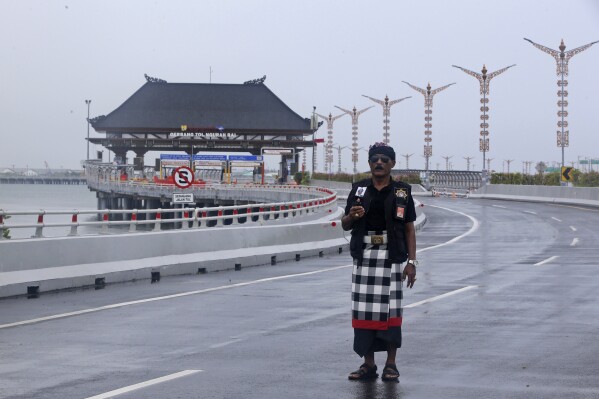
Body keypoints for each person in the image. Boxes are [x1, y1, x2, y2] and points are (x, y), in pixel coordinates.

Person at [342, 142, 418, 382]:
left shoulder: (402, 192)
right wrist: (351, 216)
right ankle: (368, 364)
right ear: (369, 163)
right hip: (365, 257)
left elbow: (409, 229)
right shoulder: (359, 190)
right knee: (364, 314)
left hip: (392, 256)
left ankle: (391, 364)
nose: (379, 163)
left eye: (384, 159)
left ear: (392, 164)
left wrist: (412, 262)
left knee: (391, 313)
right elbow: (345, 224)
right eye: (375, 159)